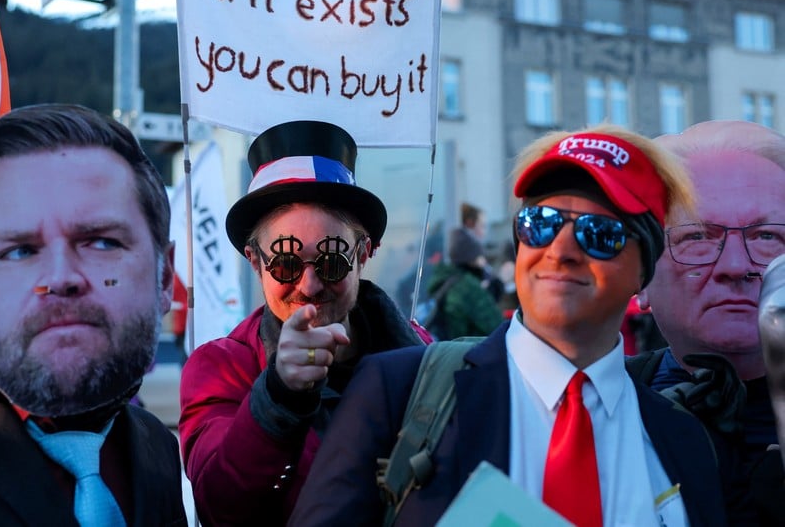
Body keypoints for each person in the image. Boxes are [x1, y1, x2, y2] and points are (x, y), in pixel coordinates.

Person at [291, 124, 732, 526]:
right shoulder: (396, 390)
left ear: (643, 273)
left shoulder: (683, 440)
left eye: (599, 233)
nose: (560, 250)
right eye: (540, 224)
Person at [0, 104, 186, 526]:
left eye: (101, 242)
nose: (60, 279)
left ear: (165, 275)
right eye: (19, 251)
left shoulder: (158, 448)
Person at [178, 120, 431, 526]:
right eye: (285, 263)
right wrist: (278, 397)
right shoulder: (222, 367)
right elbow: (219, 505)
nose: (309, 285)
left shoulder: (424, 355)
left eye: (332, 260)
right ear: (255, 261)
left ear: (363, 254)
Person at [627, 120, 785, 524]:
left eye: (767, 236)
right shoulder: (585, 414)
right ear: (640, 277)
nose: (735, 266)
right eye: (697, 237)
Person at [424, 202, 501, 339]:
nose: (484, 233)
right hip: (471, 352)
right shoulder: (469, 287)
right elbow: (497, 328)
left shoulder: (444, 277)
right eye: (482, 226)